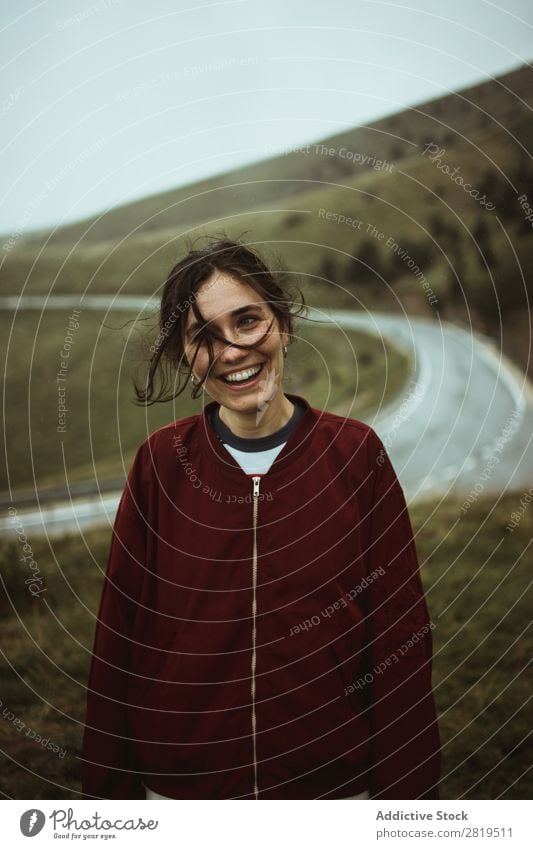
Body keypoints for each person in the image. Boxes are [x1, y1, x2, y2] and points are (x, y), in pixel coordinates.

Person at [81, 238, 441, 800]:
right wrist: (111, 804)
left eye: (247, 321)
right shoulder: (160, 466)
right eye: (203, 337)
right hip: (183, 797)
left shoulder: (355, 454)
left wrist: (408, 805)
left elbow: (399, 632)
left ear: (283, 325)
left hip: (334, 792)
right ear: (183, 357)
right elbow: (118, 638)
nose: (231, 351)